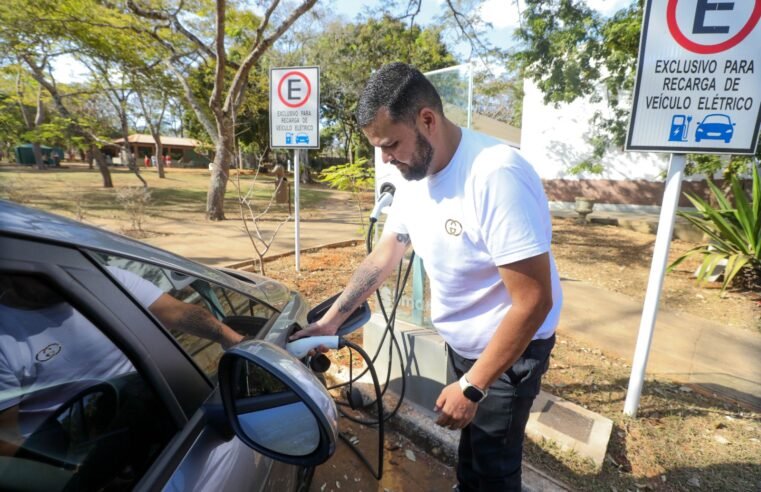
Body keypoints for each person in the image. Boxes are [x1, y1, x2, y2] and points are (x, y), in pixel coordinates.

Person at [290, 62, 562, 491]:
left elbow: (534, 301)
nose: (385, 158)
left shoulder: (495, 174)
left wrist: (472, 386)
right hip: (464, 340)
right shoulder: (413, 174)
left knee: (494, 463)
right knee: (471, 447)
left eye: (391, 144)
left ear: (427, 120)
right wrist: (332, 320)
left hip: (512, 346)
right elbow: (386, 253)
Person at [0, 268, 242, 457]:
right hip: (79, 452)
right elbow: (8, 439)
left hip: (162, 412)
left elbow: (178, 312)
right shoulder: (5, 335)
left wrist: (230, 337)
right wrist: (69, 473)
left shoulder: (104, 281)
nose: (55, 274)